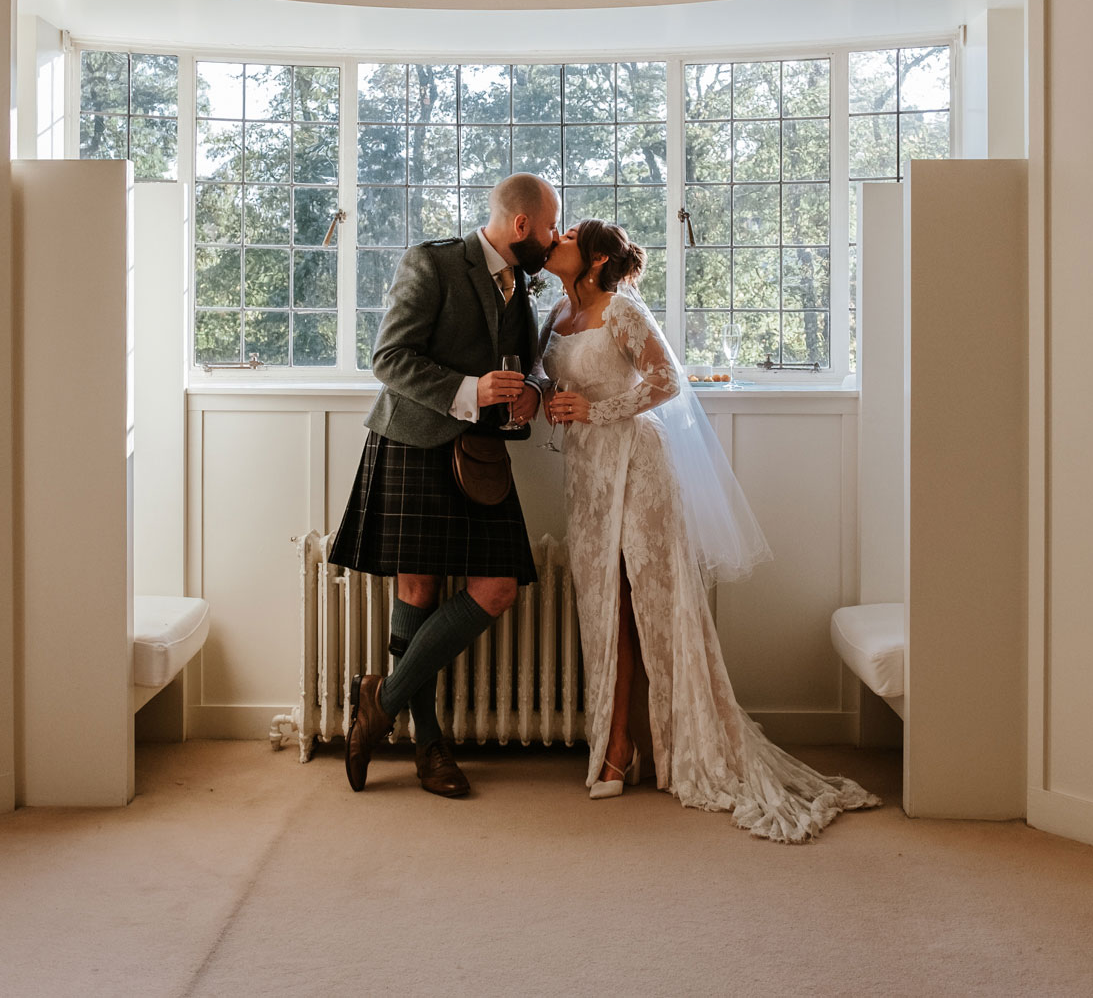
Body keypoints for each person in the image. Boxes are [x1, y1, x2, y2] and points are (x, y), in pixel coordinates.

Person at [540, 219, 880, 841]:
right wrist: (548, 400)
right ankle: (631, 742)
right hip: (587, 475)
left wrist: (597, 409)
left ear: (590, 260)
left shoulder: (623, 310)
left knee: (642, 603)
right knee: (602, 605)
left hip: (637, 466)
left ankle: (627, 747)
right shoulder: (554, 315)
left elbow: (668, 381)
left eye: (565, 237)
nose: (552, 240)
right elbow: (557, 382)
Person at [331, 173, 560, 797]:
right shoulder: (431, 263)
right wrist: (471, 391)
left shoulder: (521, 285)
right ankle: (429, 748)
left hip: (480, 455)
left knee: (497, 588)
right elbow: (389, 357)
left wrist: (532, 393)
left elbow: (531, 362)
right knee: (419, 587)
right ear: (521, 226)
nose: (554, 237)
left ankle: (383, 696)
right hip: (411, 442)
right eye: (549, 226)